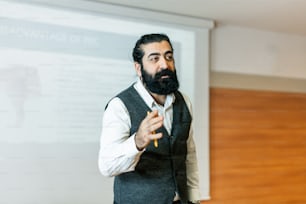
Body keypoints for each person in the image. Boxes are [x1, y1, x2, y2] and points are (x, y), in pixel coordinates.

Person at [98, 33, 201, 204]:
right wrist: (137, 141)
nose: (164, 64)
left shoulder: (184, 102)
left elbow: (189, 154)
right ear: (138, 68)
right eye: (154, 59)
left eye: (169, 57)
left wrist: (194, 198)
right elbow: (106, 167)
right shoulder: (119, 106)